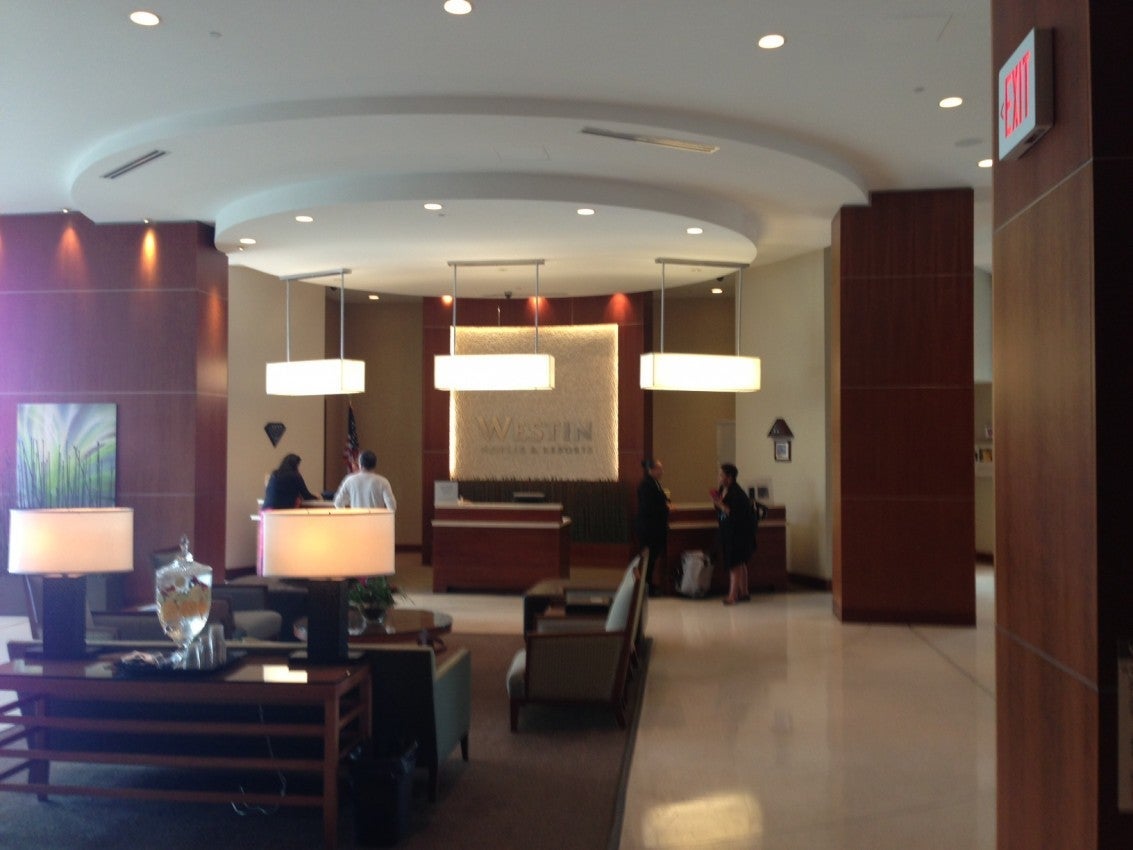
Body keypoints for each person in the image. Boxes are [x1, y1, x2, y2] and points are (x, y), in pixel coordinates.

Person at [711, 462, 756, 605]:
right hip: (727, 531)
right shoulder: (723, 490)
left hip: (737, 533)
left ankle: (732, 596)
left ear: (729, 477)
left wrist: (721, 505)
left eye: (721, 475)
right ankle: (744, 592)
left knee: (735, 564)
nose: (719, 477)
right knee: (740, 562)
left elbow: (735, 513)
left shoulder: (737, 493)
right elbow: (721, 509)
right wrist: (717, 503)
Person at [634, 458, 670, 595]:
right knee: (647, 559)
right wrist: (664, 507)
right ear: (651, 470)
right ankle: (645, 586)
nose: (662, 471)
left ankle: (649, 584)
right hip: (648, 528)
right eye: (659, 469)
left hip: (654, 528)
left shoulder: (655, 483)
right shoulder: (646, 485)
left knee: (652, 558)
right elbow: (648, 507)